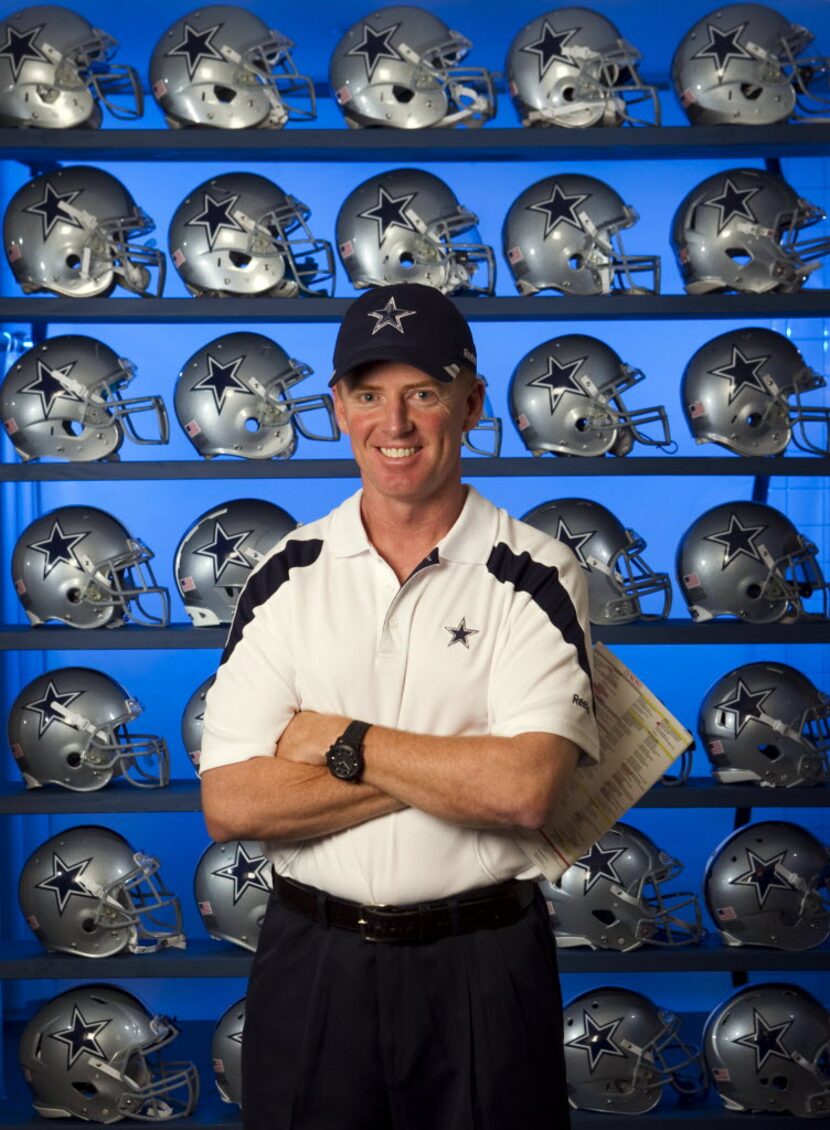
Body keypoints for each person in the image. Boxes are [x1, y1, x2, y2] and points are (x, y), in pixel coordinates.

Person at [199, 282, 600, 1130]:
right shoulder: (284, 574)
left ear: (472, 402)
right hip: (312, 962)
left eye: (423, 392)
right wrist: (458, 760)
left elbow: (525, 793)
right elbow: (233, 803)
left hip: (483, 967)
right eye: (372, 395)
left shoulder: (537, 571)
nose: (397, 424)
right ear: (339, 407)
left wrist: (333, 738)